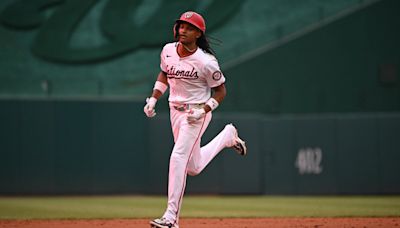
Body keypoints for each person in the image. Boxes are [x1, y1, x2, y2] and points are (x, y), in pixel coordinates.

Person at [144, 11, 247, 228]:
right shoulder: (168, 50)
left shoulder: (206, 61)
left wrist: (205, 109)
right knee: (193, 166)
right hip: (174, 109)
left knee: (178, 157)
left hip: (195, 113)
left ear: (198, 33)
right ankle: (228, 136)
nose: (182, 30)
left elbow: (220, 91)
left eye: (189, 28)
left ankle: (171, 217)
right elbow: (165, 74)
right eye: (181, 26)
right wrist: (154, 99)